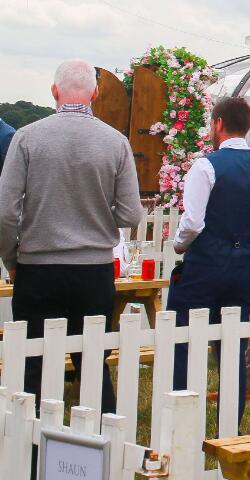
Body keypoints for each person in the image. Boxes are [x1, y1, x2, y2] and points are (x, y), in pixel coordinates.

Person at [0, 60, 143, 412]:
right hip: (93, 270)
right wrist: (98, 219)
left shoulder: (27, 138)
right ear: (94, 93)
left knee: (31, 365)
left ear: (53, 91)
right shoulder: (116, 142)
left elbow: (5, 211)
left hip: (38, 267)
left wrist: (11, 258)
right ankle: (101, 449)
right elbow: (131, 213)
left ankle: (27, 454)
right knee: (93, 366)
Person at [167, 96, 250, 399]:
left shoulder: (205, 166)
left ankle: (181, 406)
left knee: (183, 344)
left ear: (218, 124)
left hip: (202, 268)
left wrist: (178, 246)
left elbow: (192, 223)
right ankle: (231, 419)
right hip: (241, 272)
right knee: (233, 347)